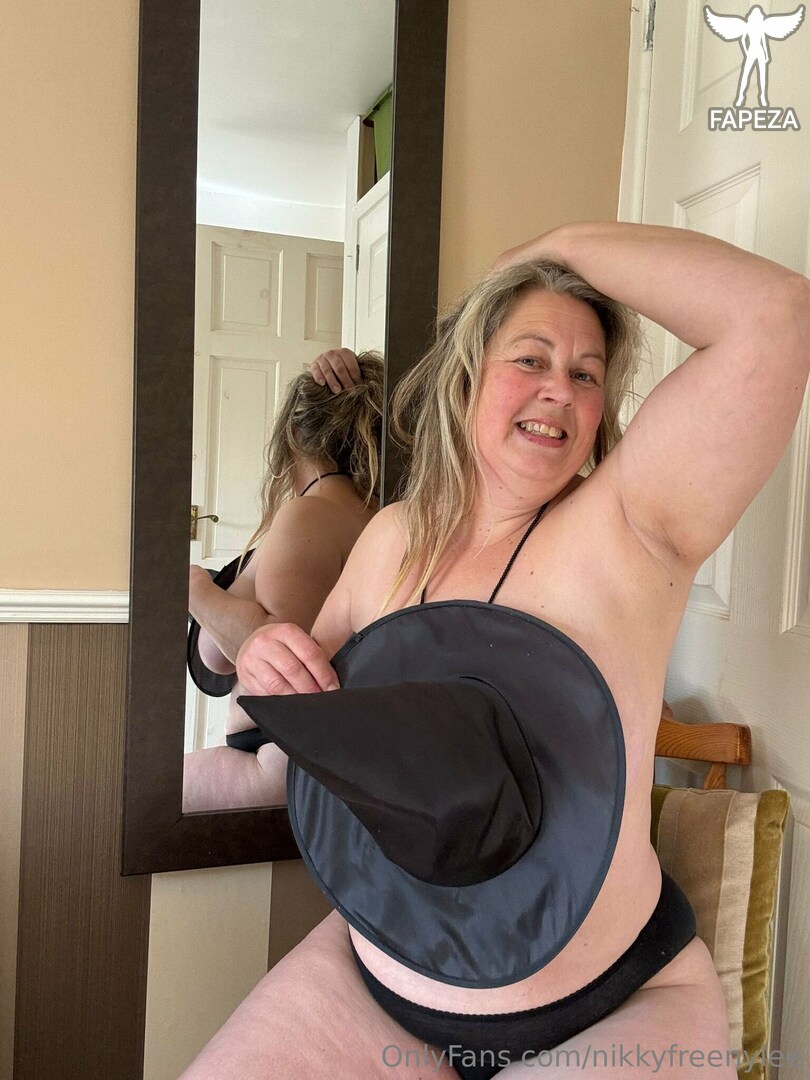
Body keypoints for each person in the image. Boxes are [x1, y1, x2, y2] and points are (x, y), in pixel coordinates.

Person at [183, 223, 810, 1079]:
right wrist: (266, 657)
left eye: (586, 374)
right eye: (531, 358)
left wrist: (550, 248)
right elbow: (308, 696)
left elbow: (775, 313)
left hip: (613, 1009)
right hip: (369, 985)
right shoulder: (390, 538)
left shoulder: (633, 525)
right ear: (467, 375)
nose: (560, 389)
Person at [182, 349, 382, 812]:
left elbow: (277, 651)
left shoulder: (311, 513)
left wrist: (195, 589)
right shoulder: (374, 517)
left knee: (125, 802)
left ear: (293, 435)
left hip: (273, 759)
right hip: (290, 756)